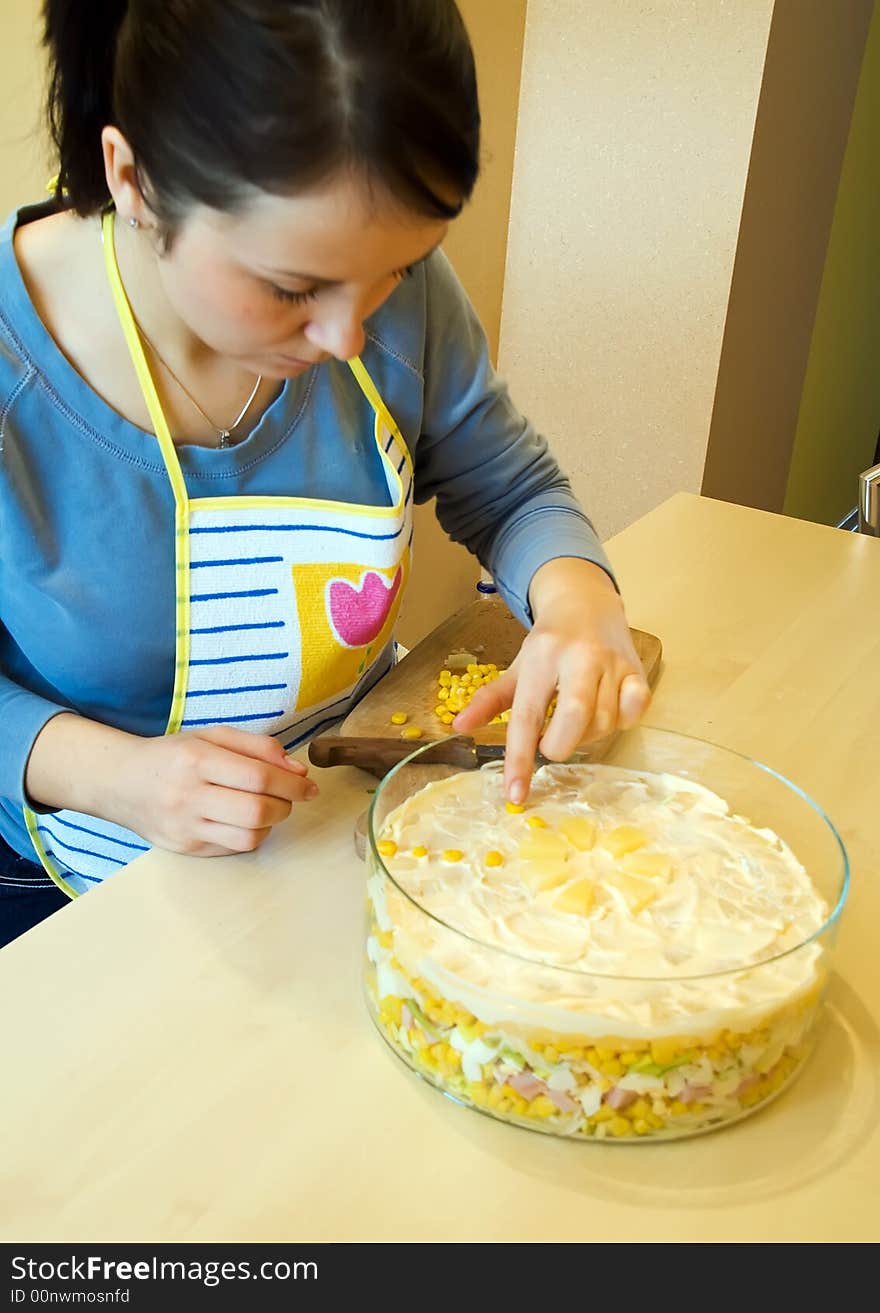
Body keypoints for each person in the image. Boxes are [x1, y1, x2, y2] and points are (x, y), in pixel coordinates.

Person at [0, 0, 650, 948]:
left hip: (340, 823)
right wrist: (123, 777)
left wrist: (579, 606)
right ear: (133, 178)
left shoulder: (382, 287)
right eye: (291, 289)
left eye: (399, 270)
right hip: (68, 891)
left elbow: (511, 490)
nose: (350, 333)